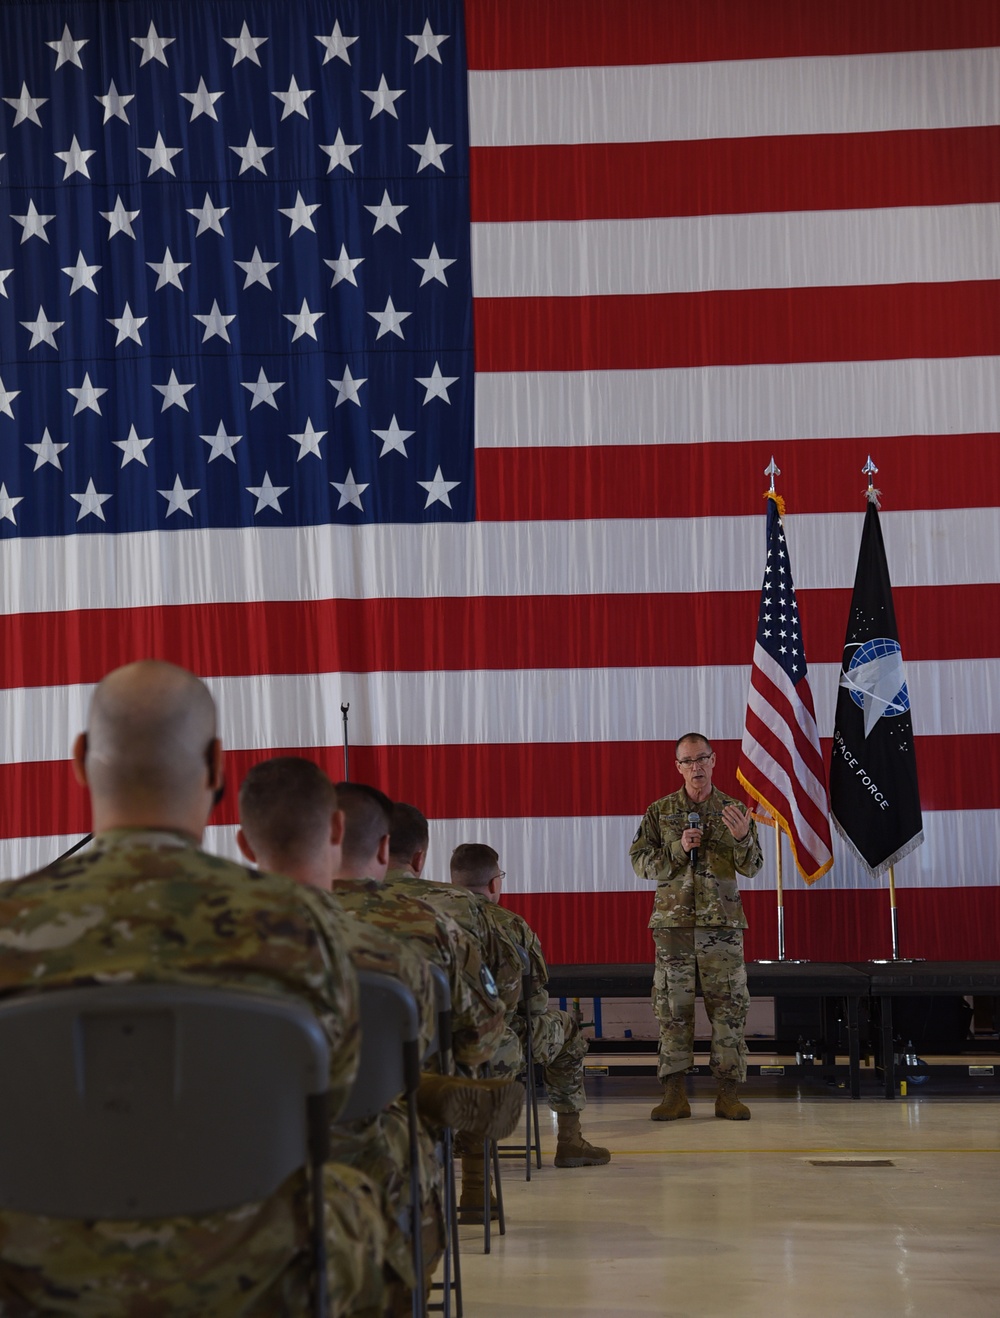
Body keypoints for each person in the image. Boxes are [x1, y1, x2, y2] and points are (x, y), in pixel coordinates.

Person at [0, 661, 385, 1317]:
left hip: (34, 1273)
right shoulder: (301, 927)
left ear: (81, 760)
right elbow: (330, 1100)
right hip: (248, 1275)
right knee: (356, 1190)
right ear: (215, 768)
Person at [236, 759, 524, 1314]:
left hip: (249, 1165)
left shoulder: (228, 939)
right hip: (379, 1164)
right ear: (385, 845)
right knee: (428, 1092)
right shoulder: (428, 932)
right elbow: (482, 1036)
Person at [450, 842, 611, 1169]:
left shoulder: (430, 919)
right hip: (499, 1044)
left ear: (454, 882)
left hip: (434, 1045)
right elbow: (534, 1003)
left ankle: (457, 1137)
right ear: (494, 883)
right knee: (567, 1028)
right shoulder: (510, 925)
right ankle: (570, 1141)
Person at [629, 732, 762, 1122]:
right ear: (678, 767)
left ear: (714, 760)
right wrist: (677, 848)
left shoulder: (734, 809)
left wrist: (741, 839)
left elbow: (752, 866)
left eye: (702, 758)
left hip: (722, 925)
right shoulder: (661, 811)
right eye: (688, 761)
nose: (696, 767)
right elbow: (640, 864)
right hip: (674, 927)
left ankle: (728, 1093)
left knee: (729, 1009)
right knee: (673, 1009)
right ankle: (674, 1094)